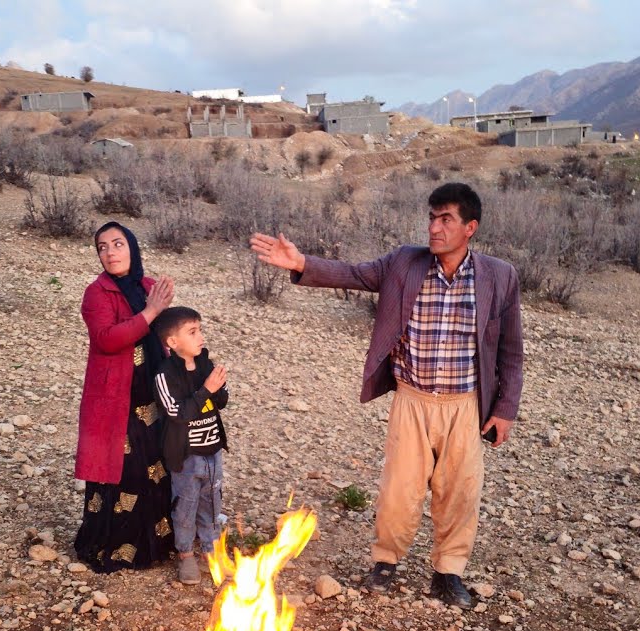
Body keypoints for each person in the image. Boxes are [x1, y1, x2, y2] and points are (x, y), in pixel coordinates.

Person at [249, 182, 524, 609]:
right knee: (400, 487)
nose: (434, 227)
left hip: (465, 404)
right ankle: (385, 561)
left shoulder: (499, 276)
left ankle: (448, 573)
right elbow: (356, 274)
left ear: (470, 227)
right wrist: (300, 262)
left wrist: (505, 408)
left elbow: (510, 349)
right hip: (412, 399)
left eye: (446, 219)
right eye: (432, 217)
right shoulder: (404, 263)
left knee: (460, 492)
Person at [74, 221, 176, 573]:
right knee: (123, 470)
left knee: (156, 467)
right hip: (115, 399)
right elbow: (107, 338)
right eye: (102, 247)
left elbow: (168, 335)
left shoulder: (148, 286)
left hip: (153, 394)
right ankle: (114, 548)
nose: (110, 252)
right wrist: (151, 312)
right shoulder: (96, 293)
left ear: (132, 248)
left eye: (118, 244)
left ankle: (157, 543)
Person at [151, 306, 230, 585]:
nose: (201, 337)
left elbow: (220, 402)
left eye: (200, 330)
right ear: (173, 343)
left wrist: (219, 387)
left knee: (212, 501)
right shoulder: (165, 375)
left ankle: (211, 550)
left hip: (212, 450)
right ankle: (185, 554)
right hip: (186, 456)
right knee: (186, 506)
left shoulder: (205, 364)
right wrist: (207, 389)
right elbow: (177, 413)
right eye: (192, 332)